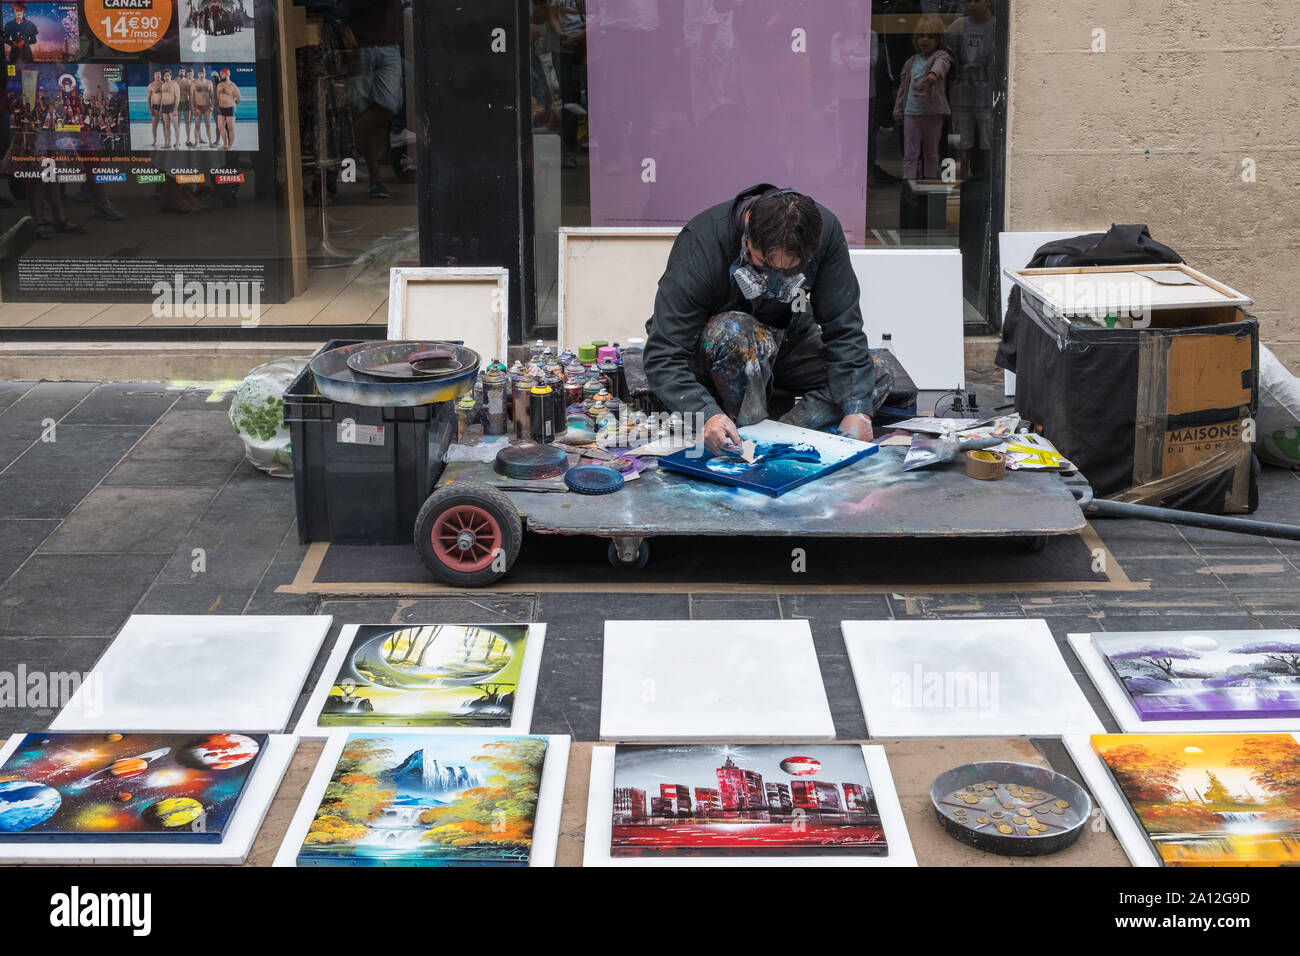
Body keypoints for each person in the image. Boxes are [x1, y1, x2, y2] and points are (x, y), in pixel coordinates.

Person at [644, 185, 893, 456]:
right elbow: (663, 355)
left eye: (790, 270)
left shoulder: (825, 231)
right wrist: (707, 415)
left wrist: (858, 410)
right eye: (764, 264)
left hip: (786, 337)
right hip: (719, 351)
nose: (775, 280)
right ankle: (743, 433)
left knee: (875, 372)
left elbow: (843, 326)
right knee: (737, 330)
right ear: (746, 238)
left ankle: (776, 437)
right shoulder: (703, 244)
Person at [345, 0, 404, 198]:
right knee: (366, 110)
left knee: (387, 106)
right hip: (361, 45)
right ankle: (376, 179)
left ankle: (347, 139)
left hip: (386, 44)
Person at [892, 16, 951, 181]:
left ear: (938, 39)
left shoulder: (941, 56)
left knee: (931, 152)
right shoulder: (911, 62)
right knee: (910, 153)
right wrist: (898, 110)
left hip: (932, 113)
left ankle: (930, 182)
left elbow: (942, 65)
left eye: (930, 37)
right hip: (912, 113)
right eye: (921, 36)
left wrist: (933, 74)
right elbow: (903, 87)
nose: (925, 40)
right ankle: (908, 182)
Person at [946, 0, 997, 179]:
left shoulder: (997, 28)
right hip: (961, 96)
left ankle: (989, 183)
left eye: (976, 0)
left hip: (987, 98)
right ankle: (960, 188)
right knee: (960, 145)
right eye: (969, 1)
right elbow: (947, 55)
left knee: (989, 144)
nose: (972, 4)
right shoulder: (957, 26)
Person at [214, 67, 239, 148]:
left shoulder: (232, 85)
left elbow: (239, 98)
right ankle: (225, 144)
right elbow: (218, 96)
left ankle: (230, 146)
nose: (221, 76)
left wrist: (232, 104)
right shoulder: (219, 85)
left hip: (230, 108)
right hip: (221, 108)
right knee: (220, 126)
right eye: (220, 74)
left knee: (230, 127)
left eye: (222, 74)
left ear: (227, 74)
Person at [190, 67, 213, 146]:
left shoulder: (209, 83)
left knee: (208, 126)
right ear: (198, 74)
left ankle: (210, 142)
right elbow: (192, 97)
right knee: (197, 125)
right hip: (197, 107)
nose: (201, 75)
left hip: (207, 107)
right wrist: (193, 109)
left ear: (205, 74)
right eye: (200, 73)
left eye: (203, 73)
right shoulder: (194, 83)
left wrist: (212, 107)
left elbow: (212, 96)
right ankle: (196, 142)